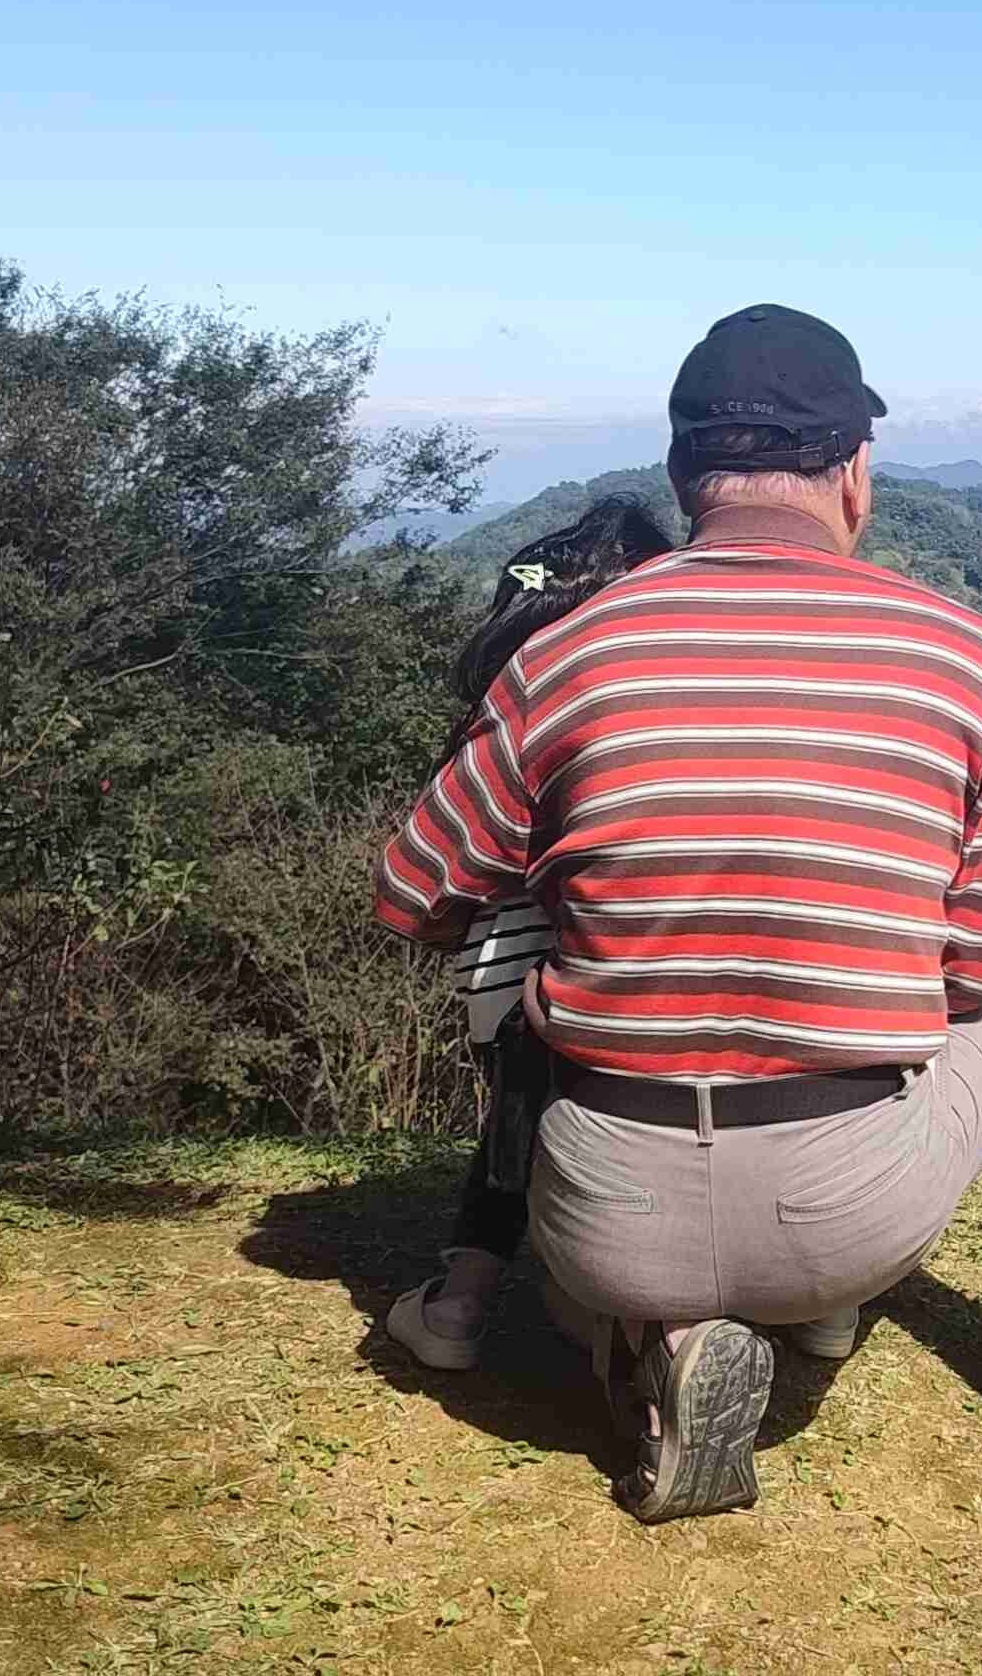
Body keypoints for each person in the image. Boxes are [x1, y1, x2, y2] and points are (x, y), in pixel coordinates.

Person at [372, 303, 982, 1522]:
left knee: (615, 1188)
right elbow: (970, 976)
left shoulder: (567, 653)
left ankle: (664, 1340)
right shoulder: (964, 656)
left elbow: (414, 893)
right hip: (850, 1213)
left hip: (605, 1211)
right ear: (855, 473)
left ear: (683, 471)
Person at [381, 498, 673, 1374]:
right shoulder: (655, 693)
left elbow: (422, 884)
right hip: (628, 991)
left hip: (510, 995)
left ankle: (462, 1300)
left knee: (522, 1109)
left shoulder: (519, 706)